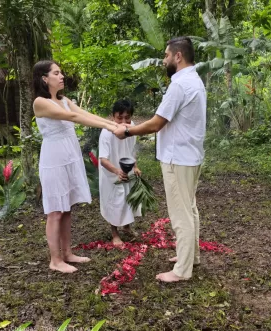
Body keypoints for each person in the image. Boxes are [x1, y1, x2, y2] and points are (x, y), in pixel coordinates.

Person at [114, 37, 207, 283]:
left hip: (179, 158)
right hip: (191, 156)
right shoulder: (195, 80)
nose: (164, 60)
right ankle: (190, 256)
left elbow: (156, 123)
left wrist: (127, 130)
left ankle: (182, 270)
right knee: (190, 208)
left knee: (180, 214)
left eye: (166, 55)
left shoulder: (179, 85)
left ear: (178, 56)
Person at [32, 60, 119, 273]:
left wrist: (112, 124)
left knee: (67, 207)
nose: (61, 76)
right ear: (45, 78)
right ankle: (55, 260)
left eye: (61, 72)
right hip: (54, 160)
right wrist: (109, 126)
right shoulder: (40, 102)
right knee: (55, 211)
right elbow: (73, 117)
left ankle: (68, 253)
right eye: (56, 73)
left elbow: (84, 113)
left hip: (70, 156)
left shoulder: (64, 100)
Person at [98, 99, 142, 246]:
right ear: (112, 117)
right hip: (111, 172)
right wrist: (117, 171)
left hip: (127, 169)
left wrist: (135, 166)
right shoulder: (106, 133)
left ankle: (127, 227)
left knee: (128, 199)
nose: (124, 122)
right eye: (119, 118)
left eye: (127, 118)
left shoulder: (132, 128)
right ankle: (114, 233)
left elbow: (132, 149)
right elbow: (103, 159)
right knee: (114, 202)